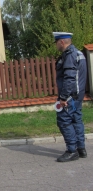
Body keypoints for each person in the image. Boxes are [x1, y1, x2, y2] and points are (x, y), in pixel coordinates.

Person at [53, 32, 87, 162]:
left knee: (64, 121)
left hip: (69, 97)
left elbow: (69, 78)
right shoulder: (79, 54)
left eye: (56, 42)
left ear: (61, 42)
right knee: (76, 120)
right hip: (77, 95)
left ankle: (72, 151)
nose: (56, 45)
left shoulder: (69, 55)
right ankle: (81, 149)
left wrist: (63, 98)